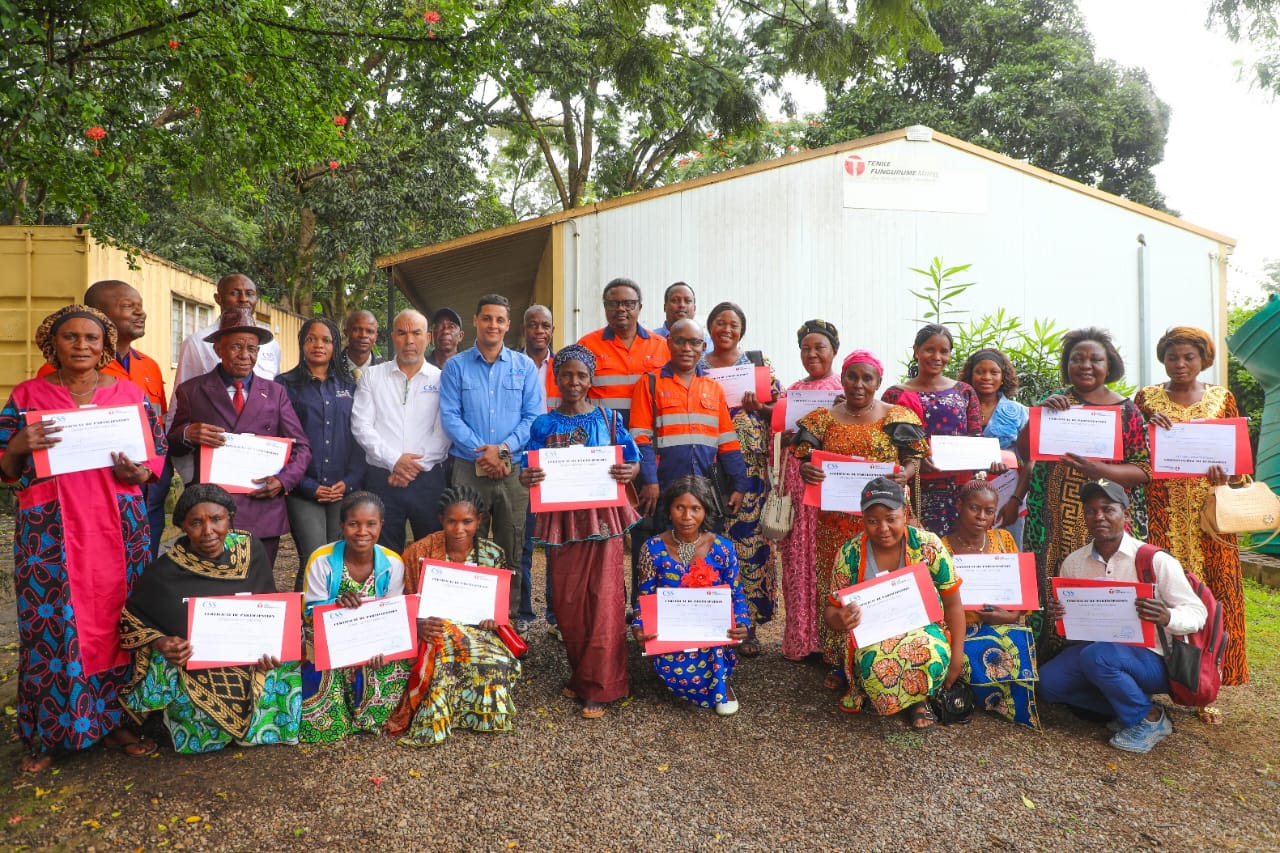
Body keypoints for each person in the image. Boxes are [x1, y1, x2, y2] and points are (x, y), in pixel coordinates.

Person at [2, 304, 166, 772]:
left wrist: (139, 471)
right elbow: (6, 468)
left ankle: (115, 721)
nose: (81, 346)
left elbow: (154, 460)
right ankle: (51, 732)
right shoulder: (27, 395)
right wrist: (17, 446)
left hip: (119, 526)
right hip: (49, 531)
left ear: (104, 347)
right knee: (52, 626)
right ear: (52, 344)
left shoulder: (131, 394)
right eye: (70, 337)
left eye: (91, 339)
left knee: (120, 620)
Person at [119, 484, 301, 753]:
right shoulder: (164, 572)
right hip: (195, 663)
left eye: (217, 519)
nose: (208, 532)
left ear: (229, 517)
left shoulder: (250, 550)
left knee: (293, 649)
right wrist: (161, 643)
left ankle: (260, 727)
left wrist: (275, 643)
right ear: (182, 526)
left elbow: (268, 605)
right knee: (169, 673)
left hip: (249, 653)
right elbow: (130, 623)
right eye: (196, 523)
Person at [1040, 480, 1207, 753]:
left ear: (1126, 515)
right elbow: (1073, 628)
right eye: (1092, 511)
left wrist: (1167, 616)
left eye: (1108, 510)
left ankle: (1150, 719)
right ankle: (1133, 704)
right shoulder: (1074, 562)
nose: (1099, 517)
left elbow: (1197, 613)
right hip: (1097, 652)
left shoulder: (1155, 560)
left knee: (1099, 656)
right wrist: (1062, 615)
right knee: (1048, 684)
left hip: (1154, 659)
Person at [1011, 327, 1151, 651]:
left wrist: (1097, 471)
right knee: (1050, 580)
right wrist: (1038, 416)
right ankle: (1049, 656)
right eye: (1077, 359)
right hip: (1049, 520)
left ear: (1109, 364)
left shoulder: (1127, 411)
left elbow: (1143, 470)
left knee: (1097, 582)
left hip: (1101, 519)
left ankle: (1099, 657)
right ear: (1067, 364)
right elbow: (1025, 450)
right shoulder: (1058, 403)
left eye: (1095, 359)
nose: (1085, 365)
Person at [793, 349, 927, 686]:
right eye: (852, 376)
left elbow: (914, 459)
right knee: (840, 587)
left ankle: (885, 657)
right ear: (843, 377)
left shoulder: (897, 416)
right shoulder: (822, 418)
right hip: (835, 524)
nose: (859, 384)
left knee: (883, 585)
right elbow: (803, 456)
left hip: (885, 525)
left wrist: (905, 474)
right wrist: (806, 468)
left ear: (878, 382)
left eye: (867, 378)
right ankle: (841, 662)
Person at [520, 345, 641, 718]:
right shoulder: (542, 424)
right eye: (566, 375)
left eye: (581, 376)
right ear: (556, 379)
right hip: (562, 519)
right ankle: (583, 672)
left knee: (602, 598)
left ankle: (602, 686)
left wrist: (629, 471)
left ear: (591, 381)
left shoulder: (608, 418)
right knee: (569, 602)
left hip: (603, 517)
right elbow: (530, 468)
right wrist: (528, 476)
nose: (574, 382)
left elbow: (632, 459)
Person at [1136, 326, 1247, 725]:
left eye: (1189, 357)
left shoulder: (1222, 399)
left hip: (1210, 520)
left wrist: (1227, 475)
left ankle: (1205, 688)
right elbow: (1134, 452)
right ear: (1162, 358)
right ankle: (1161, 678)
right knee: (1162, 596)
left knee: (1215, 599)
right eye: (1172, 357)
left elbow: (1240, 468)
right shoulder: (1146, 399)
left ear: (1203, 360)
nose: (1180, 364)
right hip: (1161, 514)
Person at [167, 309, 312, 569]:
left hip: (262, 507)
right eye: (236, 347)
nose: (245, 356)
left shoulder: (276, 392)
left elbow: (302, 448)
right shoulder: (192, 390)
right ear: (218, 349)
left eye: (252, 349)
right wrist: (189, 433)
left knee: (257, 585)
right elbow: (172, 442)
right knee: (212, 587)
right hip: (209, 512)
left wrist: (282, 481)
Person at [34, 281, 170, 557]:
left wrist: (148, 471)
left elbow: (158, 425)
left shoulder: (150, 365)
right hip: (89, 497)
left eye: (141, 307)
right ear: (100, 314)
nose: (140, 313)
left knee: (142, 567)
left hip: (144, 488)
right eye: (129, 307)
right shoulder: (60, 369)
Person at [823, 477, 967, 729]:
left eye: (891, 519)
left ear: (905, 513)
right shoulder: (850, 552)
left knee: (928, 652)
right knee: (875, 662)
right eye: (872, 521)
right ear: (862, 519)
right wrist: (840, 618)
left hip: (923, 628)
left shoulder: (928, 546)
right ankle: (887, 694)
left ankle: (917, 700)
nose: (883, 528)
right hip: (873, 633)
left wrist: (956, 659)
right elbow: (831, 610)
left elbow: (953, 604)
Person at [388, 486, 521, 745]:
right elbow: (403, 602)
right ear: (441, 520)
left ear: (479, 521)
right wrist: (417, 624)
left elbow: (500, 609)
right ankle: (436, 720)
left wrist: (494, 619)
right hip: (433, 628)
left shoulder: (493, 554)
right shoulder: (419, 552)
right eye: (452, 521)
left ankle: (476, 716)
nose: (459, 529)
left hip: (478, 630)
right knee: (446, 644)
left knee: (496, 660)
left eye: (467, 522)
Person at [440, 294, 543, 626]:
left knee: (512, 543)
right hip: (468, 468)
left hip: (512, 470)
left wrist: (502, 450)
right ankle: (468, 621)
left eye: (500, 320)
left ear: (508, 325)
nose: (493, 325)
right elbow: (451, 417)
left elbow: (533, 417)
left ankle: (506, 619)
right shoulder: (456, 366)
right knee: (466, 544)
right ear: (475, 321)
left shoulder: (524, 367)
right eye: (487, 318)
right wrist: (484, 452)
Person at [698, 301, 783, 655]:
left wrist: (759, 408)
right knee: (710, 543)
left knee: (750, 546)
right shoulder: (698, 368)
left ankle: (746, 626)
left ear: (741, 330)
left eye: (733, 324)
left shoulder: (759, 367)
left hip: (751, 471)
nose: (726, 329)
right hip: (708, 466)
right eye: (720, 323)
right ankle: (711, 621)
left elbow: (782, 411)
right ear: (710, 328)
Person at [632, 477, 750, 716]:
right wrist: (639, 627)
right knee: (679, 673)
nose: (687, 516)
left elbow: (736, 593)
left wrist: (742, 623)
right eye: (680, 507)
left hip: (711, 633)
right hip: (672, 631)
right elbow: (644, 596)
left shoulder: (723, 548)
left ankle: (721, 682)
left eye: (695, 508)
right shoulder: (652, 548)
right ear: (669, 510)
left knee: (715, 649)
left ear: (706, 511)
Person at [299, 491, 409, 742]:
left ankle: (368, 718)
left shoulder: (393, 563)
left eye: (371, 524)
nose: (362, 532)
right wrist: (335, 604)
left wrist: (380, 647)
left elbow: (393, 616)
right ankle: (335, 717)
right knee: (319, 676)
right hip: (330, 640)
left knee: (394, 666)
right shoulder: (321, 560)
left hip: (374, 639)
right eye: (353, 524)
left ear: (381, 524)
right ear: (342, 525)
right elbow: (310, 614)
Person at [940, 477, 1041, 730]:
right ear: (960, 505)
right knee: (967, 651)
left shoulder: (1004, 540)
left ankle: (1007, 704)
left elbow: (1024, 593)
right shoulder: (942, 547)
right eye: (974, 508)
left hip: (1003, 621)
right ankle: (973, 697)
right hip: (961, 627)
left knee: (1014, 640)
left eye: (989, 511)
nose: (981, 517)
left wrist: (1007, 617)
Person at [349, 309, 452, 552]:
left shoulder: (441, 379)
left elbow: (444, 431)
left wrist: (410, 468)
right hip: (382, 478)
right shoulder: (372, 376)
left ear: (428, 338)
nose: (409, 341)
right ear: (392, 336)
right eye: (402, 333)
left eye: (416, 333)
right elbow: (361, 425)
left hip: (428, 480)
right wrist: (395, 461)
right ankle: (387, 593)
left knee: (431, 552)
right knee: (383, 554)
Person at [278, 318, 367, 589]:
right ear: (302, 344)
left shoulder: (349, 385)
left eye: (326, 340)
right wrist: (307, 485)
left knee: (339, 556)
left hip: (343, 488)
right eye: (311, 339)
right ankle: (303, 624)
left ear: (335, 345)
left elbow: (360, 437)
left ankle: (332, 622)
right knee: (314, 556)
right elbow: (281, 440)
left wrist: (349, 482)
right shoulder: (284, 385)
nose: (318, 345)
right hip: (303, 489)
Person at [778, 320, 843, 662]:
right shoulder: (792, 390)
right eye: (805, 348)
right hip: (796, 484)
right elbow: (777, 435)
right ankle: (802, 638)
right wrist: (784, 436)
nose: (812, 353)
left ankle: (831, 640)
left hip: (828, 487)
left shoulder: (844, 389)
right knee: (798, 559)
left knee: (827, 556)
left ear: (834, 350)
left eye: (820, 347)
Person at [881, 324, 984, 536]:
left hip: (957, 492)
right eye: (930, 349)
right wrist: (914, 464)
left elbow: (976, 438)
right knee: (916, 552)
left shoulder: (963, 391)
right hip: (911, 489)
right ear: (916, 350)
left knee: (954, 554)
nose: (937, 357)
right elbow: (883, 443)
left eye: (944, 351)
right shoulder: (895, 395)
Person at [959, 347, 1029, 545]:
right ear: (970, 375)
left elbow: (1030, 461)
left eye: (994, 372)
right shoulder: (958, 408)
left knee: (1006, 550)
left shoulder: (1019, 412)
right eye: (980, 371)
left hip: (1006, 495)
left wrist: (1015, 500)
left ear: (1003, 376)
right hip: (965, 494)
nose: (986, 377)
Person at [577, 278, 668, 427]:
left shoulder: (662, 346)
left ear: (640, 307)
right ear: (605, 307)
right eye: (613, 304)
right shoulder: (586, 346)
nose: (621, 309)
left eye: (628, 304)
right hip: (602, 434)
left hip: (650, 434)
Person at [518, 304, 558, 632]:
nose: (539, 330)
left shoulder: (565, 366)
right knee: (525, 542)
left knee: (557, 543)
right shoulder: (511, 365)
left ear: (553, 330)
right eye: (533, 324)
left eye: (545, 325)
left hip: (560, 466)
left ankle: (557, 617)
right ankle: (523, 614)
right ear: (524, 329)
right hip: (526, 464)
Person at [651, 281, 711, 346]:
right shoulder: (650, 339)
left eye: (687, 301)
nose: (682, 305)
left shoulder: (709, 343)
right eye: (675, 300)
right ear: (665, 307)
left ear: (694, 308)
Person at [339, 309, 383, 384]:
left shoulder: (384, 371)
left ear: (376, 337)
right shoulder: (331, 368)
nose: (363, 335)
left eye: (369, 331)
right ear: (346, 333)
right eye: (357, 330)